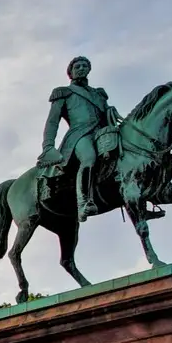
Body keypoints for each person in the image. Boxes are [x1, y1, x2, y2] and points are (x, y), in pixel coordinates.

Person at [39, 55, 125, 223]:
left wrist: (110, 113)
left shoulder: (98, 94)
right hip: (79, 134)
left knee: (125, 153)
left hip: (101, 133)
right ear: (70, 72)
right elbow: (52, 121)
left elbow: (105, 114)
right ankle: (83, 202)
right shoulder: (63, 92)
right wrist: (48, 146)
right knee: (89, 158)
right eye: (77, 66)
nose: (81, 68)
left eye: (84, 66)